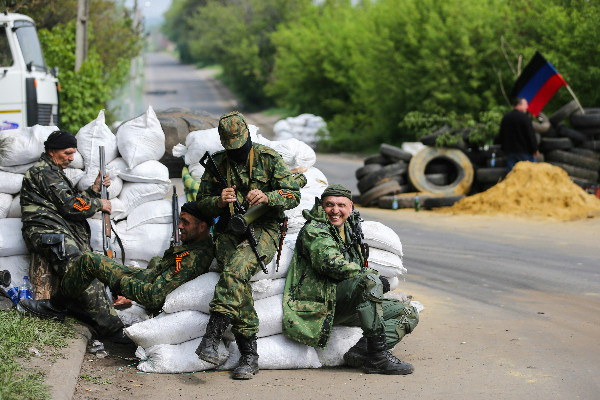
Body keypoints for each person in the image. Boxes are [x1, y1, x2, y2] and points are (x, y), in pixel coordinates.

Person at [194, 111, 301, 380]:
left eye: (240, 146)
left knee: (235, 270)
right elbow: (201, 203)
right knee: (236, 278)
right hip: (230, 228)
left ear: (248, 137)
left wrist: (268, 196)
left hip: (265, 228)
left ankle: (213, 334)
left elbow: (293, 194)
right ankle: (249, 355)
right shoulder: (217, 164)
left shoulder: (268, 158)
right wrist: (218, 201)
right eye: (231, 148)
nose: (237, 152)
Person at [282, 184, 419, 375]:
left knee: (407, 312)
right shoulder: (315, 230)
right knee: (369, 281)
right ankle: (379, 357)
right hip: (320, 303)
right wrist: (376, 279)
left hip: (347, 301)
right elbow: (330, 262)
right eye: (329, 205)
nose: (335, 211)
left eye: (341, 205)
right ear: (322, 206)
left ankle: (364, 352)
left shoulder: (351, 228)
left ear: (351, 207)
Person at [19, 202, 215, 320]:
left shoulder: (190, 259)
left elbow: (155, 297)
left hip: (147, 286)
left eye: (185, 223)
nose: (179, 226)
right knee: (148, 260)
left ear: (202, 227)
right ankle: (71, 301)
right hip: (146, 277)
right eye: (180, 220)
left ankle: (56, 307)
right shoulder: (195, 246)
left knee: (91, 261)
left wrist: (121, 284)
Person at [19, 129, 126, 341]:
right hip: (47, 233)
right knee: (80, 271)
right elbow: (70, 206)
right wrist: (98, 203)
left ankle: (68, 309)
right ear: (51, 151)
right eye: (67, 153)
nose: (71, 158)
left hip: (58, 231)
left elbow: (71, 202)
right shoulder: (44, 172)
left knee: (88, 270)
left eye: (73, 153)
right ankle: (113, 330)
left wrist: (94, 190)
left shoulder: (53, 172)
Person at [495, 97, 540, 172]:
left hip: (510, 152)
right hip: (525, 152)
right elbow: (530, 135)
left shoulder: (506, 117)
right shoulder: (525, 118)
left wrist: (503, 148)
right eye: (525, 104)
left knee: (512, 174)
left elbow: (501, 134)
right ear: (519, 105)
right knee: (530, 173)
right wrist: (535, 149)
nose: (527, 107)